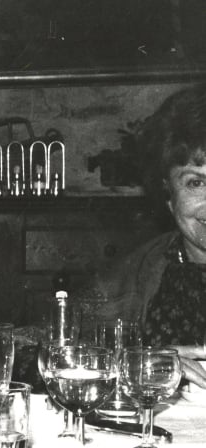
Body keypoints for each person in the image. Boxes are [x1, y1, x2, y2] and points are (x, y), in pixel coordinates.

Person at [90, 82, 206, 391]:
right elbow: (38, 351)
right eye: (196, 183)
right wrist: (134, 363)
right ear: (168, 194)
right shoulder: (131, 275)